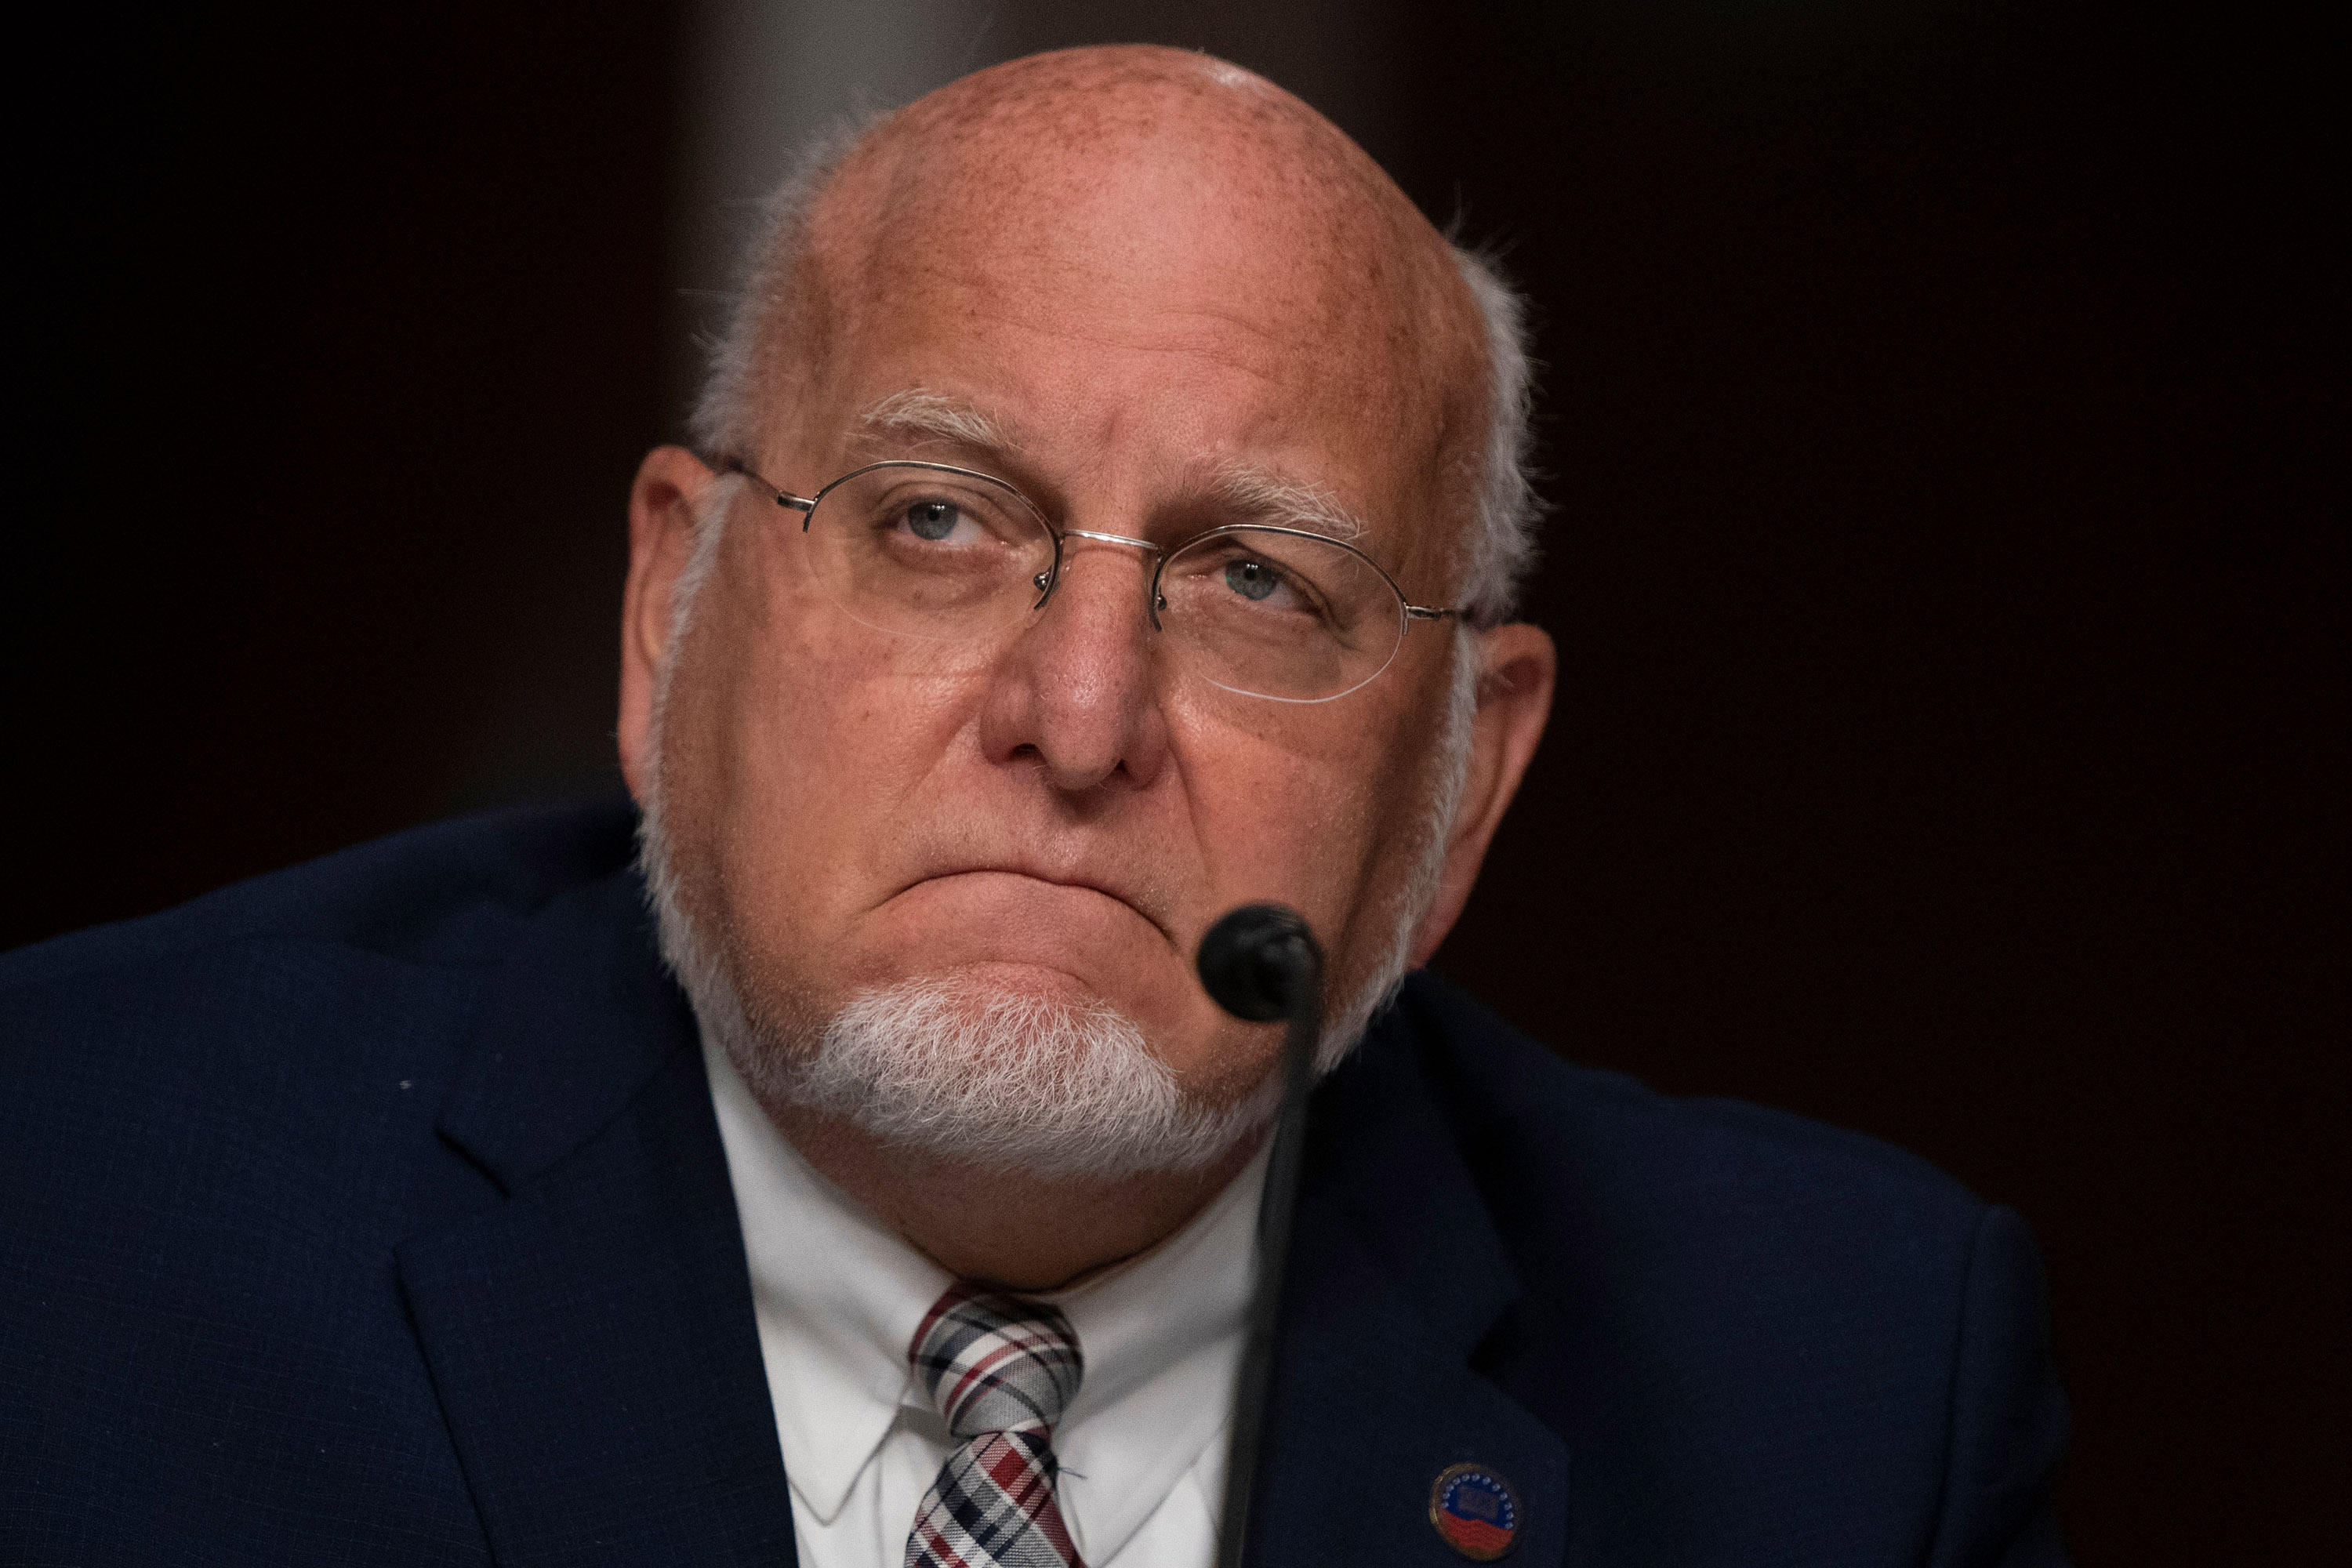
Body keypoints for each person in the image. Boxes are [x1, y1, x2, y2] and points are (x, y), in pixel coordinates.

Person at [0, 45, 2067, 1568]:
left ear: (1461, 790)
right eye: (933, 520)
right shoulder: (76, 1209)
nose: (1079, 719)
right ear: (669, 618)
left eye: (1262, 582)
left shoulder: (1839, 1408)